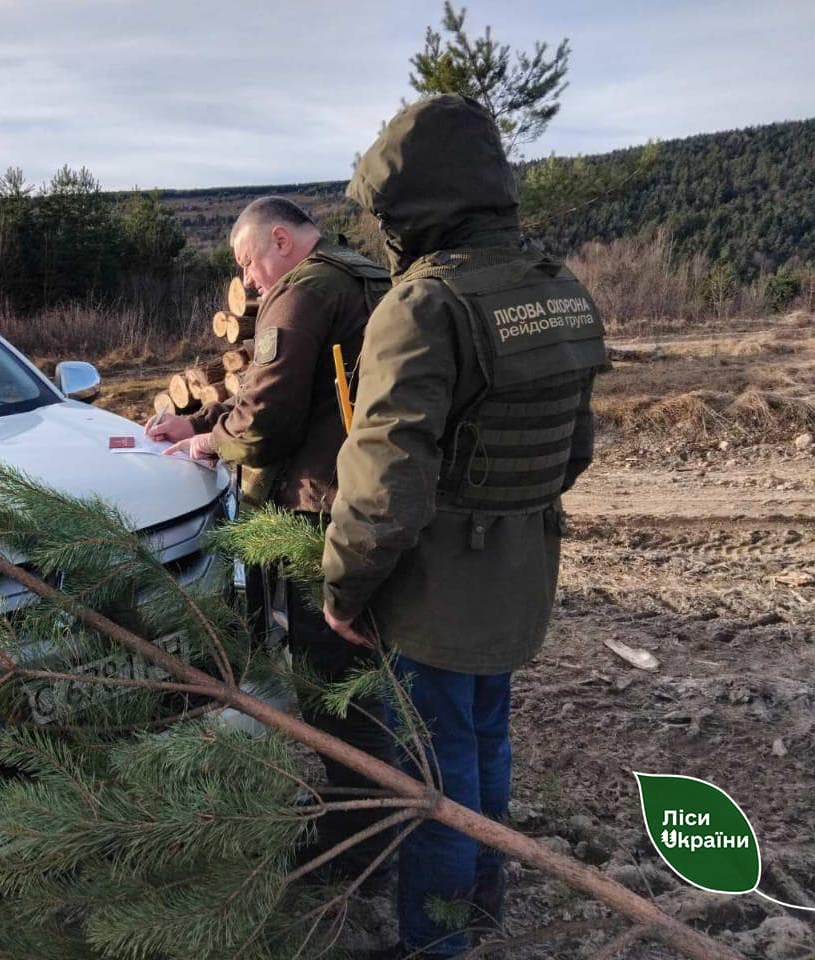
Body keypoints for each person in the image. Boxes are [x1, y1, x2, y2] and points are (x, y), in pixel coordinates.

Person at [321, 95, 608, 958]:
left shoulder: (422, 306)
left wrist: (342, 588)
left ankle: (438, 945)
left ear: (407, 208)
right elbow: (574, 451)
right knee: (485, 740)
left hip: (434, 598)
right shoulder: (558, 288)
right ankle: (484, 909)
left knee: (432, 783)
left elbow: (384, 481)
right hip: (519, 576)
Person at [147, 196, 396, 876]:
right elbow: (307, 389)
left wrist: (207, 439)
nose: (252, 283)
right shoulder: (366, 275)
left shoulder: (302, 290)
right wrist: (211, 412)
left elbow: (271, 421)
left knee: (330, 683)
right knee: (370, 677)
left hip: (317, 511)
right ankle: (385, 815)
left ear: (280, 241)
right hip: (369, 498)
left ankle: (357, 844)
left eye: (249, 264)